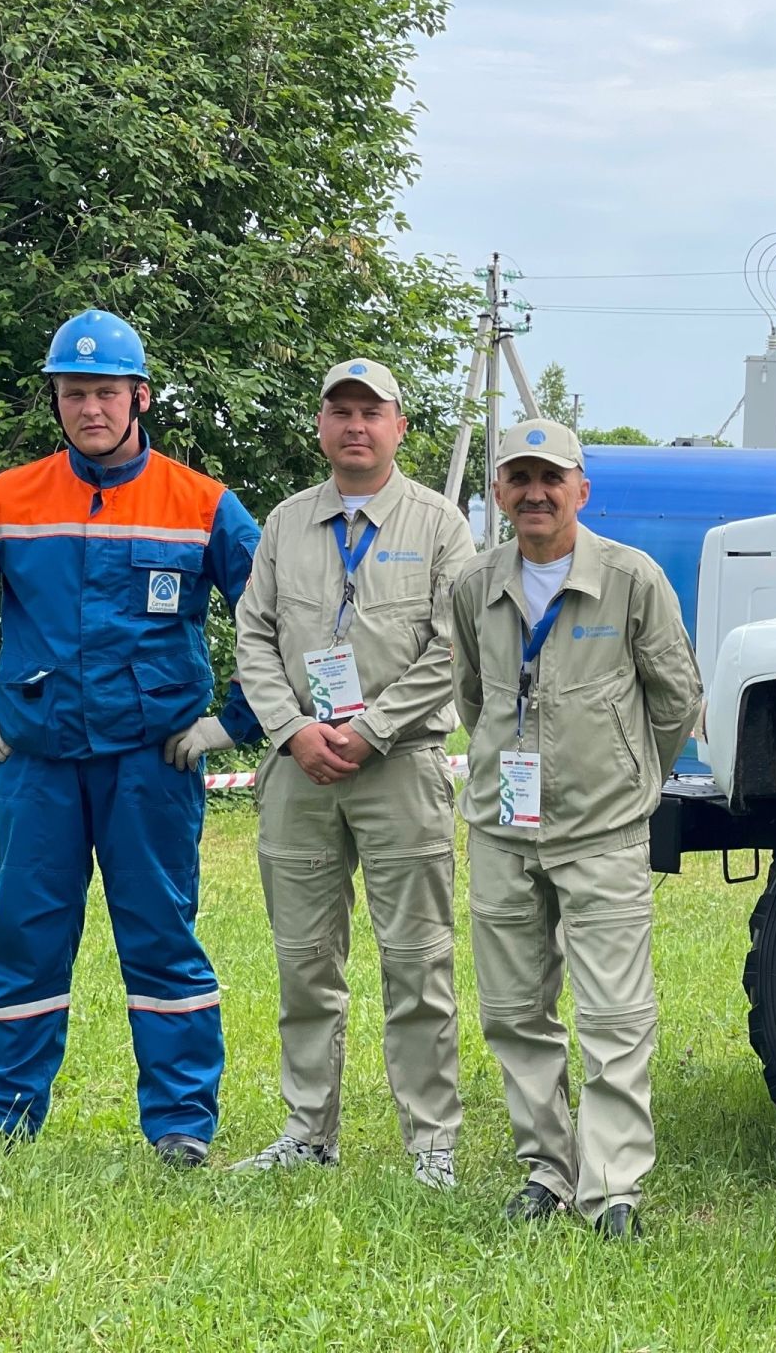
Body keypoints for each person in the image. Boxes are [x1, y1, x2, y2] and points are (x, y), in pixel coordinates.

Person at [0, 309, 261, 1165]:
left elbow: (280, 614)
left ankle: (181, 1127)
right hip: (36, 766)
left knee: (162, 937)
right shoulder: (7, 498)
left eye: (106, 392)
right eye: (74, 393)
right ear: (57, 401)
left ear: (140, 396)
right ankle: (2, 1118)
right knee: (23, 936)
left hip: (153, 765)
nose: (90, 408)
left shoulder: (202, 502)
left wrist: (232, 721)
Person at [451, 419, 700, 1237]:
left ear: (581, 490)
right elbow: (474, 698)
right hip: (502, 828)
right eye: (518, 478)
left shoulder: (632, 580)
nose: (534, 492)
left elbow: (676, 699)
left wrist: (628, 778)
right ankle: (545, 1172)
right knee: (515, 1011)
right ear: (498, 494)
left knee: (615, 1017)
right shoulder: (473, 584)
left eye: (551, 477)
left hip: (603, 833)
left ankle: (613, 1186)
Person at [231, 357, 476, 1187]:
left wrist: (370, 729)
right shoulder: (286, 525)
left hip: (400, 764)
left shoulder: (442, 526)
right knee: (304, 960)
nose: (355, 426)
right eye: (340, 411)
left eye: (372, 412)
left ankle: (430, 1142)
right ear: (322, 426)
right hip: (300, 771)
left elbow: (453, 649)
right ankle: (308, 1130)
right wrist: (295, 730)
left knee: (417, 962)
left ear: (399, 426)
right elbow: (253, 640)